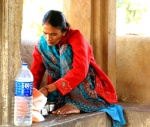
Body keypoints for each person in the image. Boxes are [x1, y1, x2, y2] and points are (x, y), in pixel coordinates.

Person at [30, 10, 126, 126]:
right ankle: (63, 100)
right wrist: (29, 95)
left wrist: (48, 89)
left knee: (65, 49)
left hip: (83, 84)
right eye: (45, 33)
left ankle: (75, 103)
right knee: (41, 45)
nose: (48, 38)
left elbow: (80, 70)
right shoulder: (42, 44)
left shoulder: (76, 38)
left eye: (53, 34)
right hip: (59, 88)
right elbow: (36, 72)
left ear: (64, 31)